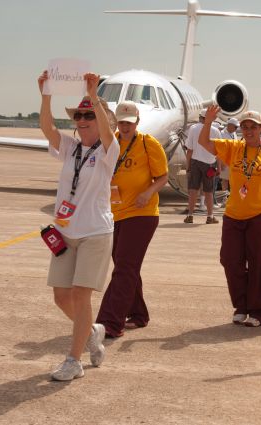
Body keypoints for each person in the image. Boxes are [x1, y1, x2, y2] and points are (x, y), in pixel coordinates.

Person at [38, 71, 119, 380]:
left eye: (89, 115)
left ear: (101, 120)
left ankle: (74, 361)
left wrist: (94, 95)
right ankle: (92, 334)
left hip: (95, 233)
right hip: (65, 232)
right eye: (79, 115)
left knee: (81, 294)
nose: (82, 120)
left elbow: (110, 136)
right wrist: (46, 94)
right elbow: (47, 128)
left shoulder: (109, 152)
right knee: (61, 297)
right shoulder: (71, 148)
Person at [198, 106, 261, 327]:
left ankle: (259, 310)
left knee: (258, 262)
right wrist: (209, 121)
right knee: (230, 260)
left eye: (253, 127)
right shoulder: (234, 148)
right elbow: (205, 143)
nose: (248, 131)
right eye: (245, 127)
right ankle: (241, 306)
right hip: (234, 214)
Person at [95, 101, 168, 338]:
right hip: (114, 213)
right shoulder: (110, 141)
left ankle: (109, 322)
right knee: (126, 266)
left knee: (125, 267)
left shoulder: (149, 144)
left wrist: (148, 192)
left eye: (129, 122)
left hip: (142, 214)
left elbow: (163, 176)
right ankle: (138, 314)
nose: (125, 126)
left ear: (137, 122)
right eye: (121, 122)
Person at [184, 110, 222, 224]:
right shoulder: (216, 131)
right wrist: (219, 167)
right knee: (208, 191)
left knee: (193, 190)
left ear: (201, 117)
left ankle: (190, 215)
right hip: (210, 164)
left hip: (195, 162)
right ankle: (210, 216)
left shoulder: (193, 128)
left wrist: (188, 166)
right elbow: (219, 151)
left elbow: (189, 149)